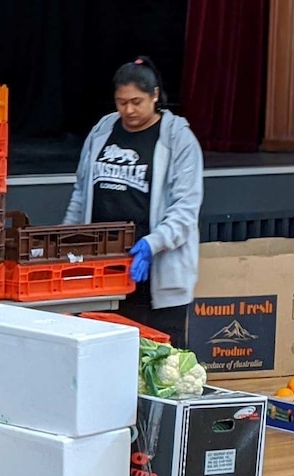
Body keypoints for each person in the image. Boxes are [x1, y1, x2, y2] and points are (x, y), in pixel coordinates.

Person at [62, 56, 203, 346]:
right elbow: (81, 192)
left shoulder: (179, 139)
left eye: (137, 102)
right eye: (121, 102)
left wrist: (152, 245)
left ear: (155, 96)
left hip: (154, 272)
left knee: (158, 358)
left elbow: (185, 210)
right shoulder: (103, 130)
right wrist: (67, 239)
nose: (128, 110)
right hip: (103, 269)